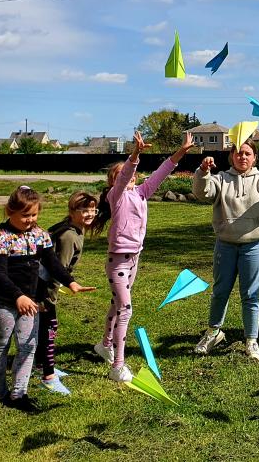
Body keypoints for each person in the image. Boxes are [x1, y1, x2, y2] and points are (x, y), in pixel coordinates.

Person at [90, 131, 195, 382]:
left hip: (134, 259)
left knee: (117, 305)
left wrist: (181, 151)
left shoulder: (141, 193)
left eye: (133, 175)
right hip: (118, 260)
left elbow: (162, 171)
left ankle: (105, 344)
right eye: (123, 175)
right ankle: (118, 366)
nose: (130, 176)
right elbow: (125, 174)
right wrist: (135, 154)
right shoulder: (115, 196)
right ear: (113, 182)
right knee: (125, 309)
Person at [0, 186, 94, 412]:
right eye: (25, 215)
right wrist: (18, 296)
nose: (30, 220)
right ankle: (1, 394)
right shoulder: (0, 238)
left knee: (28, 347)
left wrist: (70, 282)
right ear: (9, 211)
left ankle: (19, 395)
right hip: (0, 301)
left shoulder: (40, 235)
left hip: (30, 303)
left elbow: (53, 263)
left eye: (34, 215)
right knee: (0, 347)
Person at [192, 138, 259, 363]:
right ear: (231, 157)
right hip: (225, 245)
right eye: (238, 153)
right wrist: (203, 172)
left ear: (255, 157)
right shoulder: (221, 179)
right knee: (220, 291)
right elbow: (203, 193)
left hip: (255, 246)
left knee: (251, 295)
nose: (243, 157)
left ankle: (251, 341)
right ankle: (213, 332)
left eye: (247, 153)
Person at [34, 191, 99, 395]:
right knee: (48, 329)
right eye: (84, 210)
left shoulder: (73, 229)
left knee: (45, 328)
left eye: (93, 210)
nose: (90, 214)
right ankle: (48, 376)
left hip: (45, 285)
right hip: (42, 288)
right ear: (72, 211)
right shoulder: (69, 235)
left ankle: (40, 366)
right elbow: (56, 269)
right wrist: (49, 297)